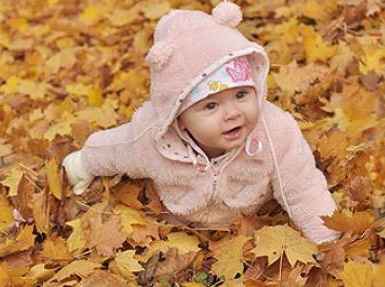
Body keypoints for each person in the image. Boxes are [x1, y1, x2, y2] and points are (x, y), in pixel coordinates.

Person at [62, 1, 340, 244]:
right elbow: (117, 148)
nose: (232, 113)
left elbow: (303, 188)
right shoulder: (154, 139)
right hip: (177, 230)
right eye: (211, 105)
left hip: (247, 229)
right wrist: (83, 162)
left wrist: (326, 238)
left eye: (241, 95)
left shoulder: (274, 133)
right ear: (178, 115)